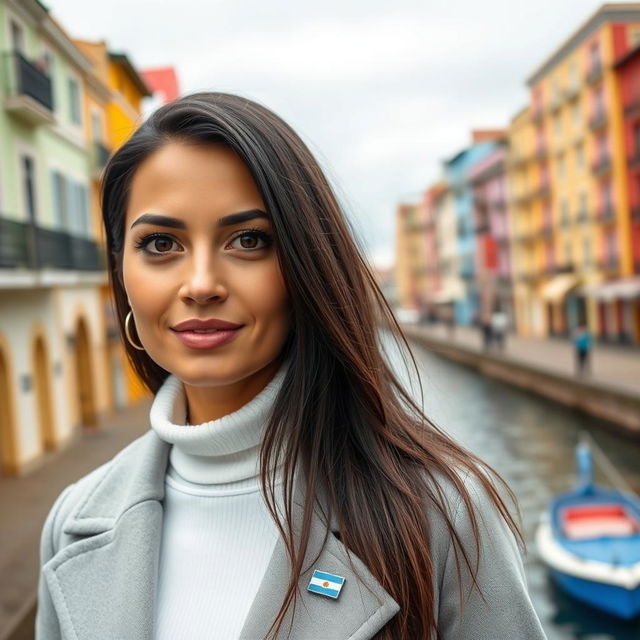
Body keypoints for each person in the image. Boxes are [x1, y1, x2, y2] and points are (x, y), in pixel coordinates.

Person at [35, 93, 547, 639]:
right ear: (122, 271)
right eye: (161, 243)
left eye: (248, 240)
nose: (202, 283)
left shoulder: (443, 516)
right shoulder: (73, 523)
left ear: (305, 263)